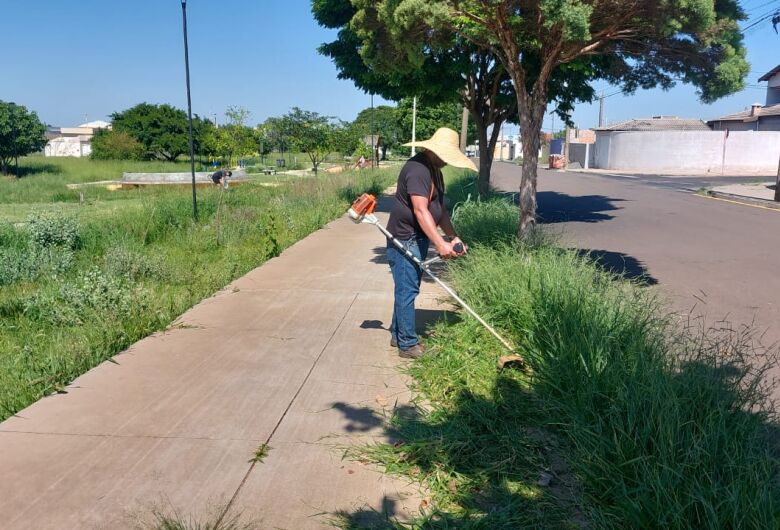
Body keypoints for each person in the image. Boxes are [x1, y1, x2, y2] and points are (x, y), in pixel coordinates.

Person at [386, 127, 477, 359]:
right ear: (435, 150)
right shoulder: (418, 169)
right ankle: (407, 344)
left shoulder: (435, 170)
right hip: (404, 237)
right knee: (407, 290)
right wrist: (440, 243)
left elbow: (440, 210)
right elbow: (420, 209)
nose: (448, 161)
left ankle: (398, 335)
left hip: (418, 237)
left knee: (408, 288)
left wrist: (453, 236)